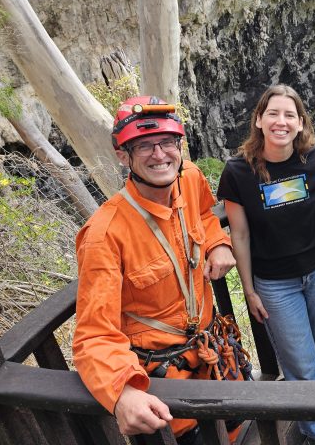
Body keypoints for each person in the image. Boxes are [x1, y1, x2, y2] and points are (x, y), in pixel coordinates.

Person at [73, 96, 244, 444]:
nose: (159, 154)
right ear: (124, 157)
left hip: (216, 355)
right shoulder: (105, 234)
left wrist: (218, 243)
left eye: (167, 142)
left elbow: (207, 216)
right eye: (144, 146)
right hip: (167, 379)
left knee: (241, 431)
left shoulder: (191, 179)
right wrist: (123, 392)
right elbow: (94, 335)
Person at [217, 85, 315, 445]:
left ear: (300, 122)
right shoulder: (238, 172)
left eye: (290, 114)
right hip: (275, 283)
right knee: (301, 362)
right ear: (259, 120)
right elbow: (239, 236)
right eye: (273, 113)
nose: (281, 121)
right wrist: (249, 289)